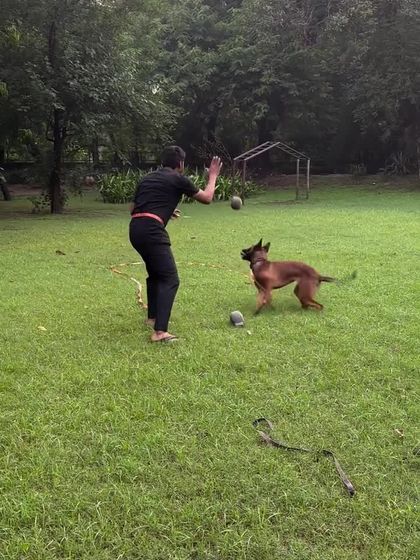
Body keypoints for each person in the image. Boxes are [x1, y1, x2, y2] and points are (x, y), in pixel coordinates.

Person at [129, 146, 222, 343]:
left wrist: (165, 210)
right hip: (152, 231)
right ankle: (160, 332)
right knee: (170, 279)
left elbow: (134, 208)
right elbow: (207, 198)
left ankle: (152, 318)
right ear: (180, 163)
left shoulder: (147, 178)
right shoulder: (178, 178)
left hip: (135, 229)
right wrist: (213, 176)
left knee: (155, 274)